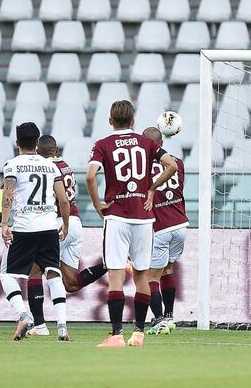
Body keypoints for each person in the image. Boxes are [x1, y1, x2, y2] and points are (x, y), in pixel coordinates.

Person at [87, 100, 178, 348]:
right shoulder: (147, 143)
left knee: (116, 276)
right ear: (134, 121)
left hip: (117, 216)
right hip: (143, 218)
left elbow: (91, 175)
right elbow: (171, 165)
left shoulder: (102, 144)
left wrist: (97, 204)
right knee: (142, 275)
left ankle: (116, 335)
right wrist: (151, 188)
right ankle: (138, 333)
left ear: (110, 120)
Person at [26, 135, 108, 337]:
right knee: (70, 283)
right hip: (75, 224)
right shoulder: (65, 165)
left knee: (34, 272)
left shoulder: (42, 168)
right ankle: (110, 264)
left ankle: (39, 325)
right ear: (55, 150)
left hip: (57, 223)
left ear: (38, 149)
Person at [0, 123, 71, 341]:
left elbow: (8, 194)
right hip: (49, 226)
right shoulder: (51, 166)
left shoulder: (12, 164)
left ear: (17, 142)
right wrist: (65, 225)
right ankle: (62, 326)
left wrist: (4, 224)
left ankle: (24, 314)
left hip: (25, 228)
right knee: (53, 273)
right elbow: (64, 199)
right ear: (38, 142)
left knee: (6, 274)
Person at [142, 127, 188, 336]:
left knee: (151, 276)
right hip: (180, 224)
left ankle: (159, 319)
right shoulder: (177, 162)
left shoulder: (141, 167)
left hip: (159, 226)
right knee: (167, 271)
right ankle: (169, 316)